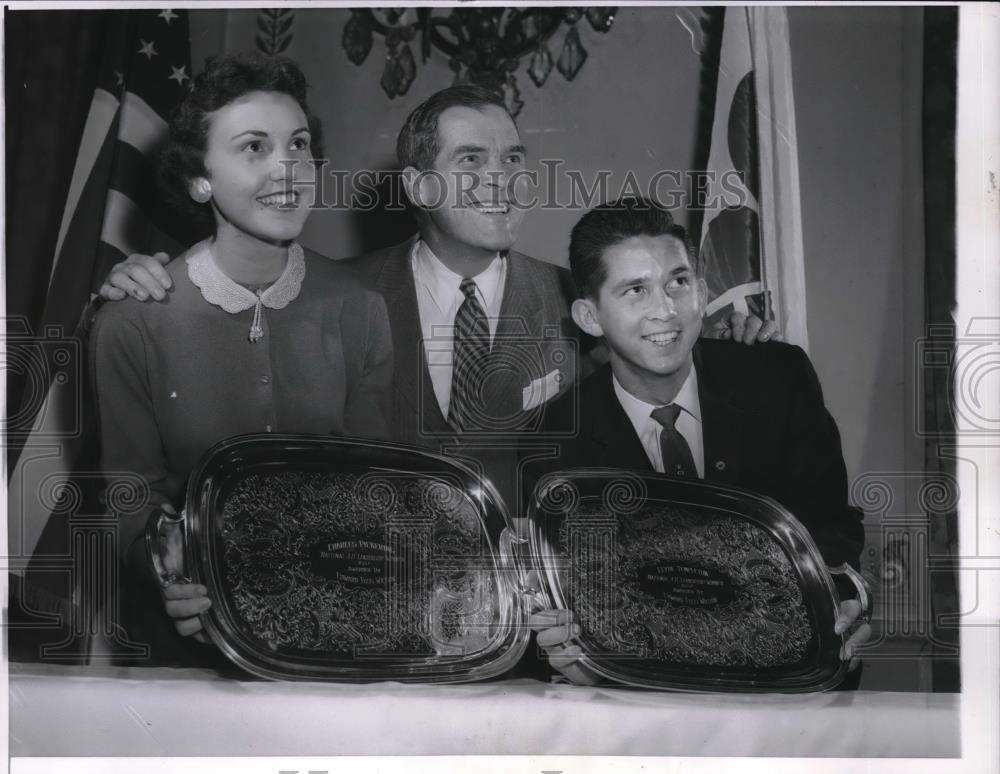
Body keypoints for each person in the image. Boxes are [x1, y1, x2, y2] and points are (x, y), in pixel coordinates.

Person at [95, 85, 775, 496]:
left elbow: (668, 377)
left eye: (512, 160)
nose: (502, 180)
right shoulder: (333, 296)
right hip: (380, 606)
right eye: (471, 161)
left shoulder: (587, 304)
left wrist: (726, 352)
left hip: (536, 631)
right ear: (420, 187)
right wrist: (139, 280)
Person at [90, 52, 392, 665]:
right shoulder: (133, 320)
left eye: (299, 145)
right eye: (254, 147)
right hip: (185, 639)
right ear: (200, 180)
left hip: (333, 633)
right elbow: (128, 493)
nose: (288, 167)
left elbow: (375, 487)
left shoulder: (359, 307)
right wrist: (169, 576)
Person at [524, 198, 871, 686]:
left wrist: (844, 593)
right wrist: (567, 653)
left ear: (703, 291)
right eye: (635, 291)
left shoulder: (777, 379)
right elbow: (570, 592)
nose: (664, 310)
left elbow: (831, 524)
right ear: (589, 316)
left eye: (678, 282)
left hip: (784, 676)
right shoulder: (554, 440)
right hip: (643, 689)